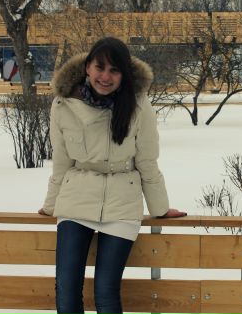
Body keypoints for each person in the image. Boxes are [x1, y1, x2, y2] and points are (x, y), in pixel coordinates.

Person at [38, 37, 185, 314]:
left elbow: (147, 161)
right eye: (100, 67)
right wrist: (51, 204)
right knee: (66, 291)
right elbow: (61, 161)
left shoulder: (139, 105)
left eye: (114, 70)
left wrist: (160, 208)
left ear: (123, 74)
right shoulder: (63, 104)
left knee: (106, 292)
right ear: (87, 68)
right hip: (76, 199)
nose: (105, 77)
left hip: (122, 203)